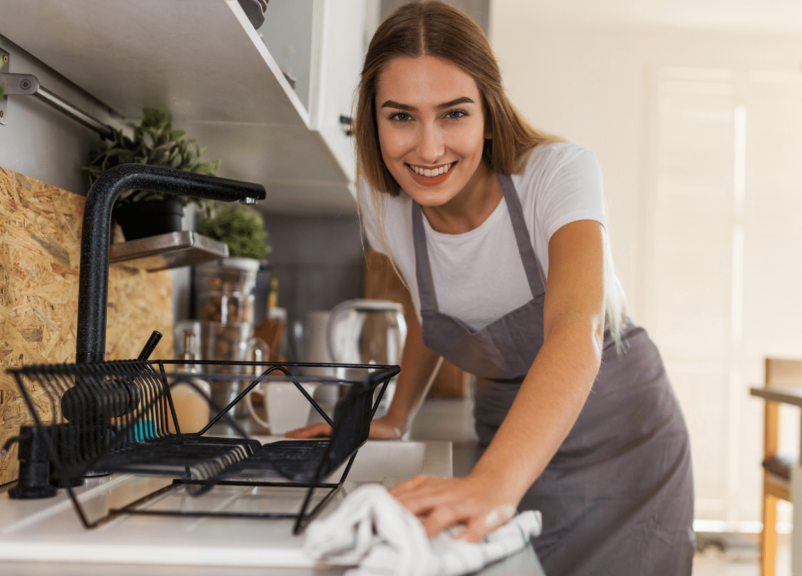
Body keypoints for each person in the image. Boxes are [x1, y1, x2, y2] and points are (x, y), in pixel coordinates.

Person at [287, 2, 694, 574]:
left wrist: (495, 482)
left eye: (453, 114)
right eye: (401, 116)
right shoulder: (382, 205)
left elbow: (576, 331)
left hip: (621, 433)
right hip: (506, 427)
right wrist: (397, 415)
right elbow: (432, 308)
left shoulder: (556, 175)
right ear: (372, 117)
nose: (428, 150)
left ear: (489, 109)